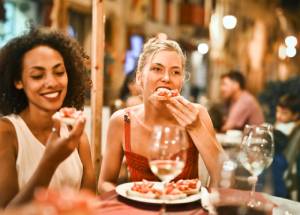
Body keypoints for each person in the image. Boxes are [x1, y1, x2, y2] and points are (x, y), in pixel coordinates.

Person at [98, 36, 224, 193]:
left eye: (175, 72)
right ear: (139, 78)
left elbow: (223, 176)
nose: (166, 78)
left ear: (182, 81)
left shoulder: (198, 114)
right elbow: (104, 183)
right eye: (157, 69)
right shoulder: (121, 121)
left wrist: (196, 127)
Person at [0, 27, 96, 208]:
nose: (51, 82)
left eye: (59, 72)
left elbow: (88, 203)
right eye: (37, 75)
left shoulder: (78, 136)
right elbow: (7, 211)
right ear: (18, 81)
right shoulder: (6, 133)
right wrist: (50, 161)